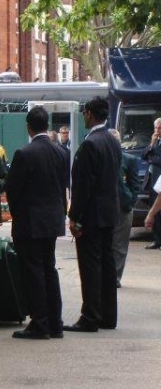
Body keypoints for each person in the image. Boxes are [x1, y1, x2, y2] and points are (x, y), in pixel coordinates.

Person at [5, 106, 68, 339]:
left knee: (33, 272)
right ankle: (55, 323)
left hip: (30, 222)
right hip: (52, 220)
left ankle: (39, 323)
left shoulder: (25, 153)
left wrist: (17, 214)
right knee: (49, 269)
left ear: (28, 127)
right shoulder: (61, 152)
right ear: (47, 125)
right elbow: (62, 187)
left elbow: (12, 189)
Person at [65, 97, 122, 332]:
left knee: (90, 266)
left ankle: (90, 317)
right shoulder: (111, 140)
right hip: (109, 212)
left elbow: (83, 186)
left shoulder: (90, 144)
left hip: (91, 215)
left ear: (89, 113)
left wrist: (74, 216)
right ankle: (108, 316)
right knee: (107, 265)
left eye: (85, 113)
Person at [109, 128, 139, 288]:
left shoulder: (129, 159)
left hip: (123, 206)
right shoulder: (103, 159)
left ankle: (115, 278)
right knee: (108, 243)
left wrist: (130, 202)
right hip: (106, 206)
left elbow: (135, 184)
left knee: (120, 245)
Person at [141, 117, 161, 249]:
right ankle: (157, 239)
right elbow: (143, 156)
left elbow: (156, 160)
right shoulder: (155, 142)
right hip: (152, 180)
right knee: (155, 211)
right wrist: (151, 144)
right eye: (156, 128)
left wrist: (151, 158)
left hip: (160, 179)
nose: (158, 130)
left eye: (160, 128)